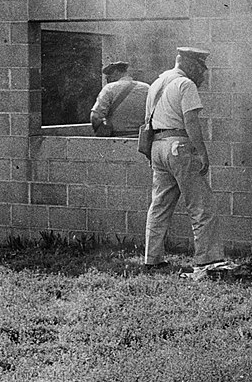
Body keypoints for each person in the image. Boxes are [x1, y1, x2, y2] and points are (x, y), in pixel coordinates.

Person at [143, 47, 224, 270]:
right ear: (188, 64)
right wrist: (202, 153)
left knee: (159, 205)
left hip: (157, 146)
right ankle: (208, 259)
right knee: (201, 206)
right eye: (199, 67)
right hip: (178, 146)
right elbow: (191, 122)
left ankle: (152, 258)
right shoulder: (185, 84)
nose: (202, 73)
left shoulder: (157, 82)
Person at [90, 61, 149, 137]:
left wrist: (99, 131)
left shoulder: (109, 88)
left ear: (116, 72)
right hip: (142, 140)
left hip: (117, 139)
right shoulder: (146, 88)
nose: (108, 79)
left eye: (109, 76)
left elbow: (95, 117)